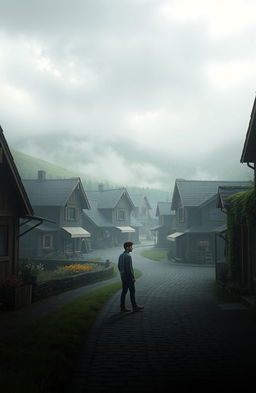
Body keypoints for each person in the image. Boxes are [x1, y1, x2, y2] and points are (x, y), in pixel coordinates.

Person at [118, 241, 144, 312]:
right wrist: (132, 277)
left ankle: (122, 307)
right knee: (132, 291)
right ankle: (135, 307)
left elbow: (119, 266)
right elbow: (129, 269)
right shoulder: (128, 256)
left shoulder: (121, 255)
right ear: (127, 248)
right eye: (131, 247)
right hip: (128, 278)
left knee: (124, 292)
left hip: (123, 277)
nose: (132, 248)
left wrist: (122, 274)